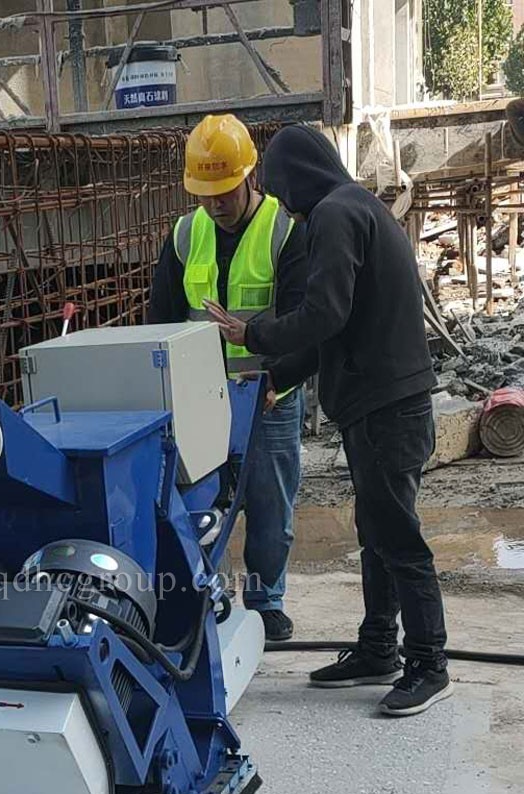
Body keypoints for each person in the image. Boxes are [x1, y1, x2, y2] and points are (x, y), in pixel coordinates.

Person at [210, 124, 451, 717]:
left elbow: (324, 313)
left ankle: (428, 663)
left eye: (280, 188)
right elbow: (340, 329)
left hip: (385, 408)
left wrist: (253, 334)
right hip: (385, 402)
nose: (284, 204)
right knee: (377, 532)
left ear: (297, 177)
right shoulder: (357, 206)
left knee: (397, 537)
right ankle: (379, 648)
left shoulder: (334, 215)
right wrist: (279, 376)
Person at [148, 113, 315, 643]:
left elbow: (303, 322)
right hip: (200, 401)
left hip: (268, 396)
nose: (215, 204)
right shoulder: (184, 235)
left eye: (224, 192)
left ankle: (265, 601)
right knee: (200, 506)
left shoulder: (284, 231)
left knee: (270, 507)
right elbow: (161, 321)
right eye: (205, 195)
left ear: (249, 177)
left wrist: (277, 381)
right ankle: (208, 599)